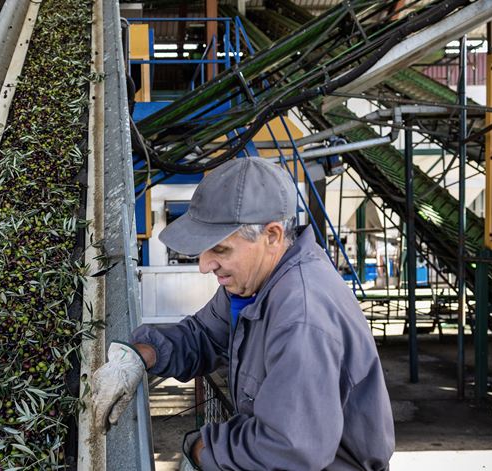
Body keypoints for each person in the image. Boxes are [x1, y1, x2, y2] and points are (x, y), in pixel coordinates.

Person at [91, 157, 394, 470]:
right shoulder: (253, 285)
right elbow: (204, 335)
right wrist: (142, 355)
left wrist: (201, 450)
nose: (204, 265)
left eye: (220, 250)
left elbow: (289, 450)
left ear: (273, 236)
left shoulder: (302, 316)